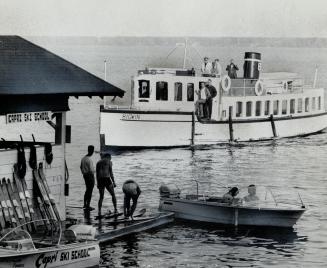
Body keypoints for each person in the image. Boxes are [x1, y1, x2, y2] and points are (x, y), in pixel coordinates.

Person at [80, 145, 95, 210]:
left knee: (87, 190)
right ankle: (88, 205)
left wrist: (83, 172)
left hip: (85, 175)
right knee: (90, 191)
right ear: (92, 151)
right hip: (90, 176)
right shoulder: (89, 160)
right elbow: (91, 171)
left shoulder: (83, 158)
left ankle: (84, 204)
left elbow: (80, 167)